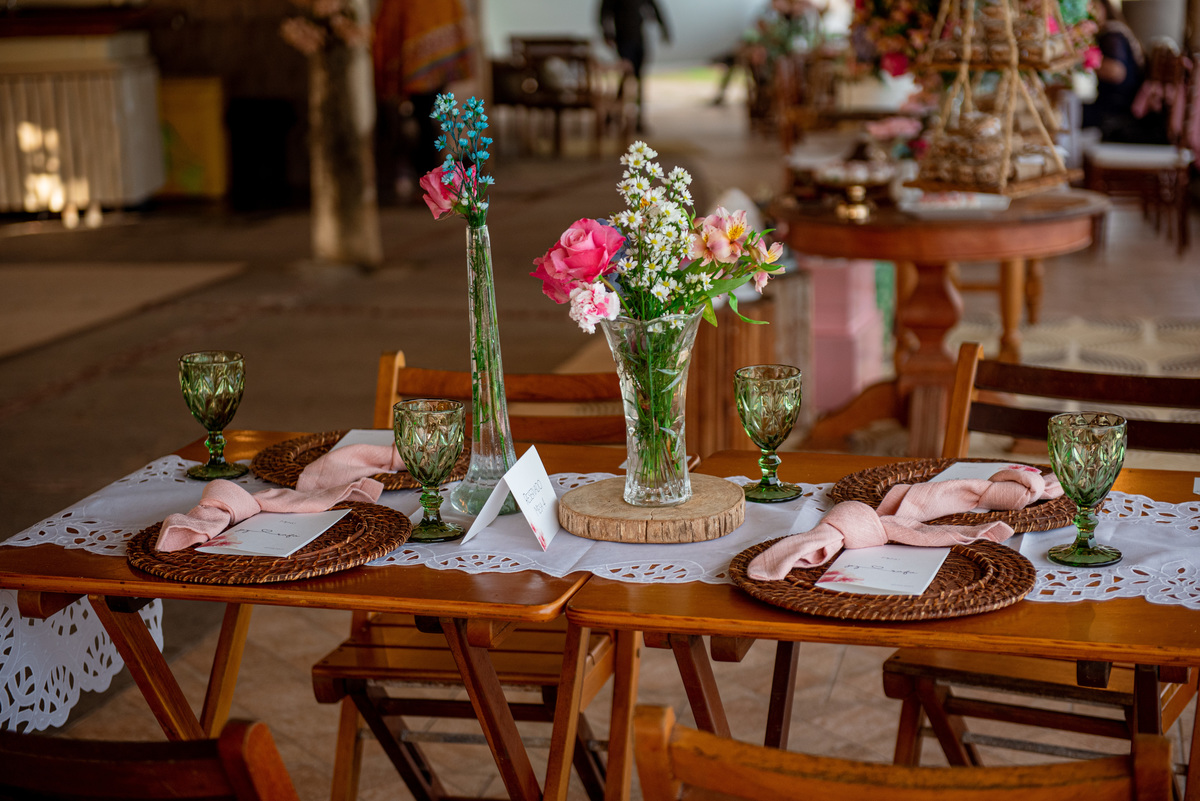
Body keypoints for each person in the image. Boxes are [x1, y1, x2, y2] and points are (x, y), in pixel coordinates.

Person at [372, 0, 475, 203]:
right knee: (428, 119)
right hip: (433, 61)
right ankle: (436, 183)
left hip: (419, 65)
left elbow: (389, 27)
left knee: (425, 120)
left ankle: (432, 183)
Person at [599, 0, 671, 133]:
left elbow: (655, 8)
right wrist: (607, 34)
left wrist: (664, 29)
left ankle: (637, 118)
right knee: (626, 76)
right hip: (624, 40)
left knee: (638, 79)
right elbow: (604, 14)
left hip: (639, 40)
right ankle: (615, 113)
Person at [1081, 0, 1147, 142]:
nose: (1089, 11)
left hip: (1117, 110)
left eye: (1093, 6)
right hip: (1115, 106)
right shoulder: (1114, 31)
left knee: (1068, 111)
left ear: (1104, 7)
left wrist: (1082, 58)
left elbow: (1116, 72)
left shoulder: (1112, 33)